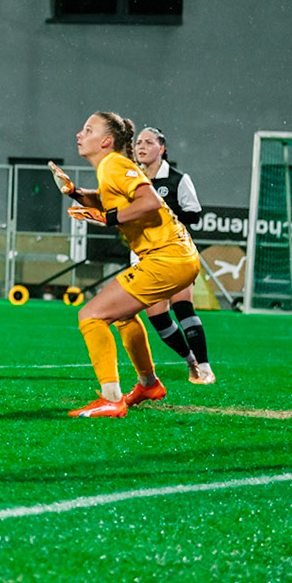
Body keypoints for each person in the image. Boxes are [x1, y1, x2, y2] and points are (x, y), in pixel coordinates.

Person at [50, 111, 202, 418]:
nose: (80, 134)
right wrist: (75, 192)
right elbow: (107, 201)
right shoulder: (113, 167)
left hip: (167, 258)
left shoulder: (114, 165)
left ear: (106, 141)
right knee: (122, 316)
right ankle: (148, 384)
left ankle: (111, 399)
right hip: (175, 257)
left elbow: (151, 202)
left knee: (91, 316)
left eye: (88, 130)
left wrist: (109, 219)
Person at [131, 126, 216, 384]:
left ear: (162, 148)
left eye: (149, 142)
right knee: (157, 317)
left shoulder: (177, 179)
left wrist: (164, 213)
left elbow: (195, 214)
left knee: (182, 306)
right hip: (145, 256)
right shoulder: (131, 179)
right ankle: (190, 361)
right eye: (139, 142)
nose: (142, 146)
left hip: (174, 252)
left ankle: (205, 367)